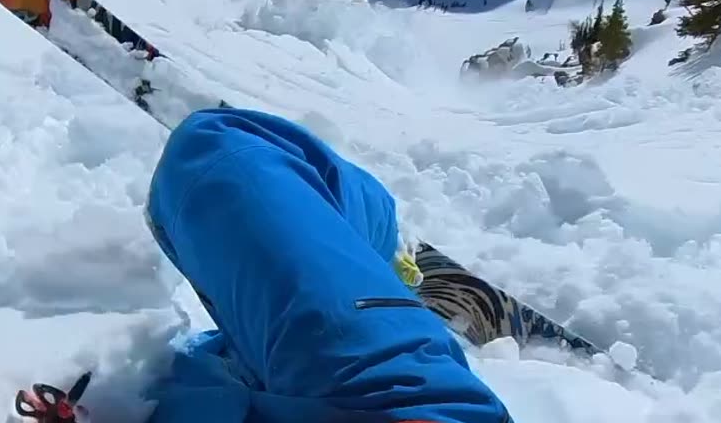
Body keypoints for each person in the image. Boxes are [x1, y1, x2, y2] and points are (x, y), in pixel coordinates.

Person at [143, 107, 513, 423]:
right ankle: (375, 242)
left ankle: (372, 240)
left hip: (364, 383)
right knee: (213, 155)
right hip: (385, 389)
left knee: (212, 152)